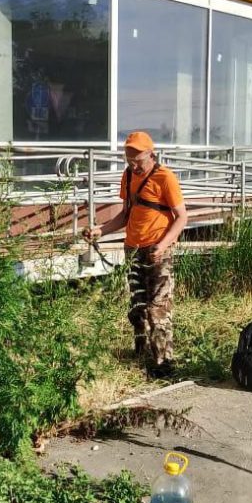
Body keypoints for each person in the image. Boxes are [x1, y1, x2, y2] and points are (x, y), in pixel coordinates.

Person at [83, 131, 188, 379]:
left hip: (157, 251)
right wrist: (101, 230)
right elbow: (125, 214)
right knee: (138, 307)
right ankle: (141, 353)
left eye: (137, 160)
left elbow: (182, 217)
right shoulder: (128, 175)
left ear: (151, 154)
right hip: (132, 250)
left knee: (157, 308)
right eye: (129, 160)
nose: (133, 165)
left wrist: (162, 246)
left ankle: (164, 362)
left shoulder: (165, 178)